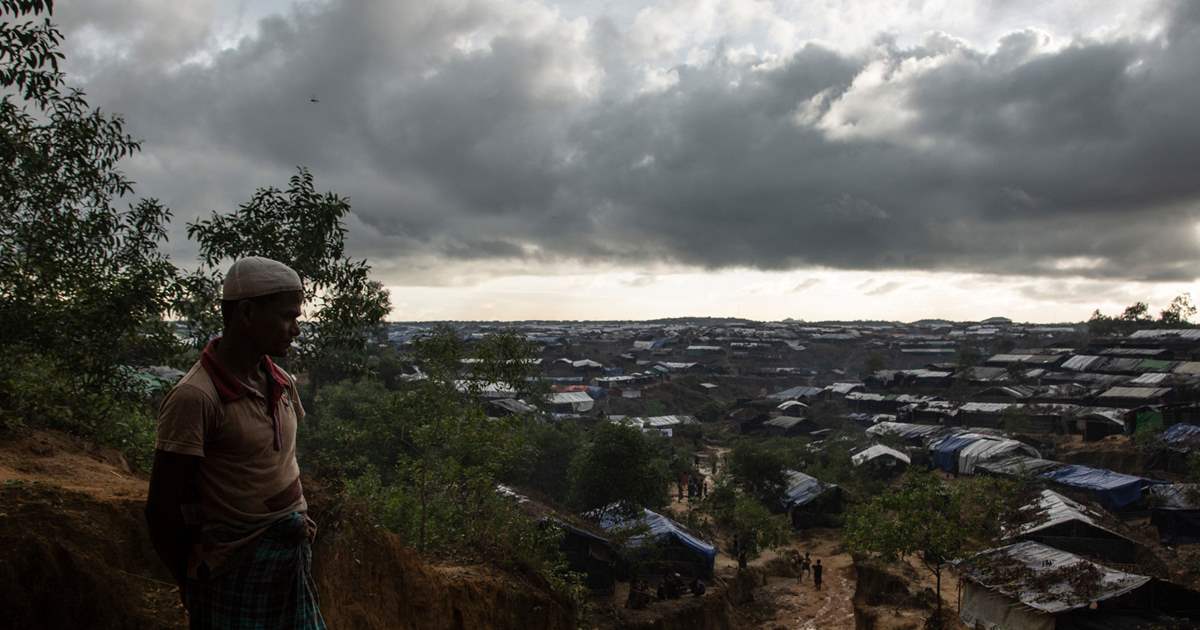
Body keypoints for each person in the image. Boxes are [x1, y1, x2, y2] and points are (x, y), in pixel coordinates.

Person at [145, 257, 325, 629]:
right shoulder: (195, 398)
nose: (296, 329)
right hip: (233, 570)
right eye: (287, 317)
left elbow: (276, 463)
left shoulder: (279, 381)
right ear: (246, 313)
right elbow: (163, 507)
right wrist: (191, 580)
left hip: (288, 561)